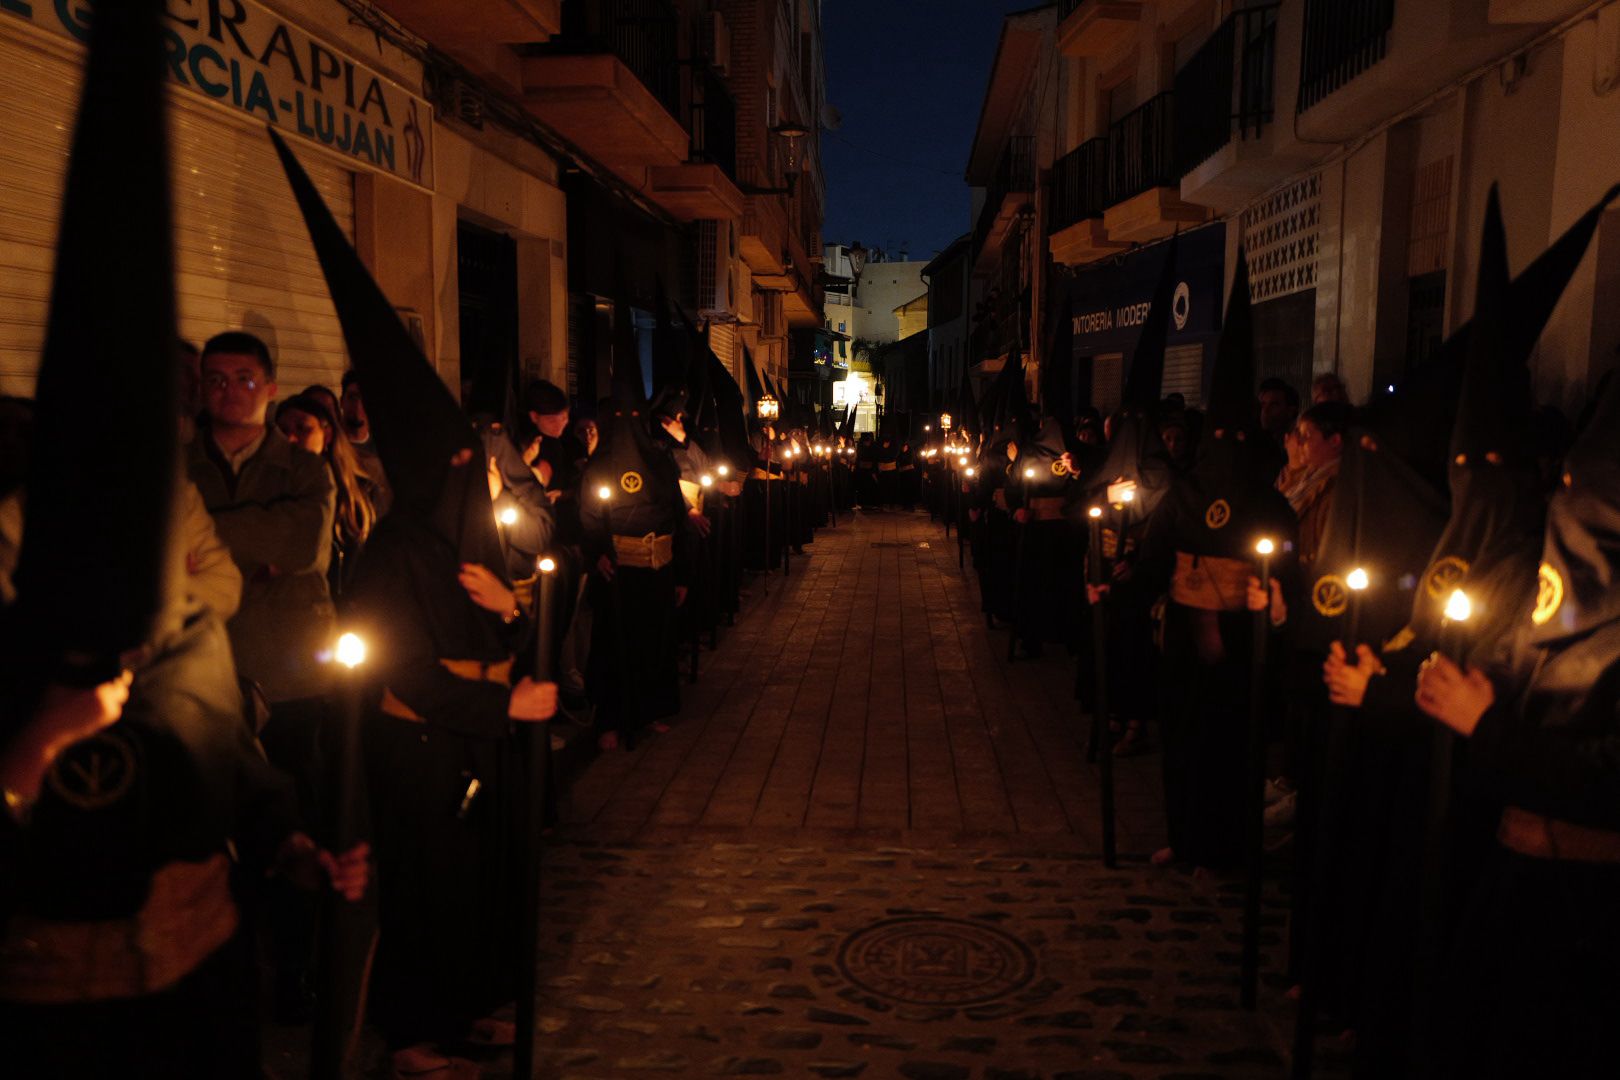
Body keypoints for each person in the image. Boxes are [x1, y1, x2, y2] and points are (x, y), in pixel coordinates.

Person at [275, 391, 378, 600]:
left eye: (303, 429)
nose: (291, 438)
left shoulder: (360, 490)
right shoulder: (268, 487)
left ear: (327, 435)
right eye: (283, 431)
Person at [340, 370, 392, 518]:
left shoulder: (384, 449)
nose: (358, 405)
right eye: (352, 397)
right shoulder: (331, 445)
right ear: (341, 401)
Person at [1258, 376, 1300, 451]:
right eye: (1263, 404)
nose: (1265, 410)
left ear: (1290, 411)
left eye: (1273, 405)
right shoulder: (1261, 442)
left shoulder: (1299, 446)